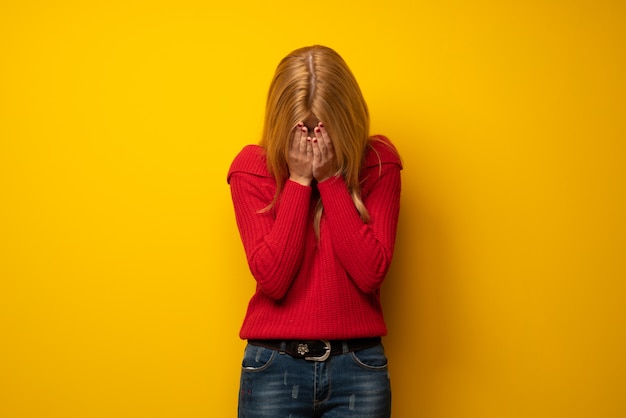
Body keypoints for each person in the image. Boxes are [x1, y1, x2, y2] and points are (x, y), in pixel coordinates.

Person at [227, 45, 402, 417]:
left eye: (323, 130)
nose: (312, 142)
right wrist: (298, 181)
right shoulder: (251, 168)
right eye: (301, 130)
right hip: (274, 366)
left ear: (345, 120)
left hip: (358, 368)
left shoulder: (379, 163)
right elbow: (273, 279)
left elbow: (370, 272)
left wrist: (331, 180)